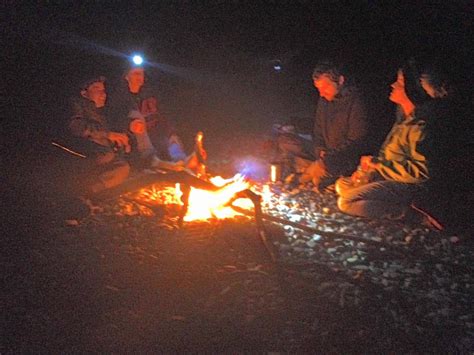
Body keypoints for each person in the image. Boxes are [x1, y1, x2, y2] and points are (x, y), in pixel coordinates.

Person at [335, 67, 443, 228]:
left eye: (399, 82)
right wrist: (372, 164)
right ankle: (375, 196)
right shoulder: (403, 118)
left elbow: (421, 172)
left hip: (406, 185)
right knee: (341, 185)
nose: (392, 85)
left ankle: (414, 216)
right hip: (387, 175)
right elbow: (392, 154)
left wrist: (380, 166)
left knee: (345, 202)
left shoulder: (419, 126)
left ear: (411, 91)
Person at [275, 61, 368, 190]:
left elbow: (356, 142)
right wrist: (320, 148)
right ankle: (313, 172)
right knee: (286, 140)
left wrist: (328, 159)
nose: (321, 93)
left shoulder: (356, 102)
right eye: (319, 89)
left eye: (325, 88)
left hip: (342, 158)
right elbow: (318, 130)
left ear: (340, 81)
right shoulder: (324, 100)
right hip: (324, 154)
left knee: (319, 173)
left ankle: (305, 176)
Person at [108, 64, 188, 167]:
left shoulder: (149, 96)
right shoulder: (119, 98)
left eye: (141, 74)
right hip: (134, 139)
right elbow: (113, 119)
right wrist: (129, 124)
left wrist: (171, 133)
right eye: (136, 73)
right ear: (126, 77)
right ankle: (151, 159)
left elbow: (162, 116)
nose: (139, 77)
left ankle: (182, 162)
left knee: (172, 139)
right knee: (135, 115)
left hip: (154, 134)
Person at [67, 76, 131, 194]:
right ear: (84, 93)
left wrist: (119, 142)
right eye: (97, 89)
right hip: (80, 152)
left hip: (100, 153)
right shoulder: (76, 105)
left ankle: (93, 191)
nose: (103, 94)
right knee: (109, 157)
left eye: (104, 90)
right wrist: (108, 134)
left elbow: (104, 137)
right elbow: (77, 127)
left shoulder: (98, 113)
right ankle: (86, 192)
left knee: (122, 166)